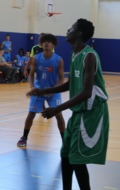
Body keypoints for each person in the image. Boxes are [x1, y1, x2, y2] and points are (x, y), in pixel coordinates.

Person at [29, 19, 109, 190]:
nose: (68, 30)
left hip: (91, 113)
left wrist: (57, 109)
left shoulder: (89, 56)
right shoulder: (74, 54)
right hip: (78, 112)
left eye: (72, 28)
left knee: (76, 158)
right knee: (65, 155)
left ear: (78, 33)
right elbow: (71, 84)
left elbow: (86, 92)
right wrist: (42, 91)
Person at [17, 34, 65, 147]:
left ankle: (65, 140)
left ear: (53, 44)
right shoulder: (37, 58)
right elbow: (31, 74)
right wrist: (32, 86)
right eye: (44, 42)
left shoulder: (58, 59)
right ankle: (24, 137)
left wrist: (53, 89)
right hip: (38, 90)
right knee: (31, 114)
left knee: (59, 115)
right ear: (41, 44)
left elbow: (62, 78)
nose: (46, 43)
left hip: (53, 92)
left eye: (49, 42)